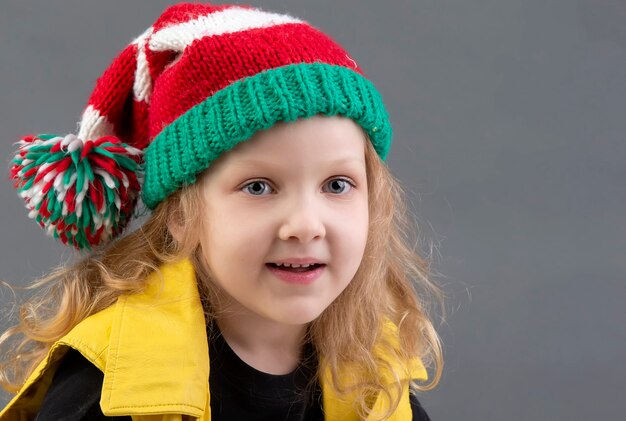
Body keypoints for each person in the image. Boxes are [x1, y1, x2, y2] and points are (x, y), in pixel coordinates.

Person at [0, 2, 444, 420]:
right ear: (180, 213)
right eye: (258, 187)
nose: (307, 224)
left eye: (337, 185)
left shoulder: (378, 379)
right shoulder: (104, 394)